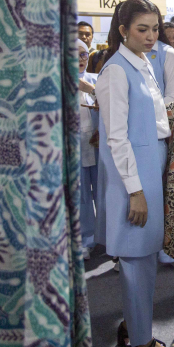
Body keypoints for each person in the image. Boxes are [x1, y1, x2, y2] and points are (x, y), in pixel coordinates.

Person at [95, 0, 170, 347]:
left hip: (150, 165)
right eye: (143, 29)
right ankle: (141, 343)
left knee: (146, 256)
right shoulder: (115, 71)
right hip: (135, 173)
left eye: (155, 28)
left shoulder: (144, 63)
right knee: (137, 258)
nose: (151, 36)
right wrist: (135, 191)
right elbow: (116, 138)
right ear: (123, 30)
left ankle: (132, 325)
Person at [77, 39, 98, 259]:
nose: (80, 59)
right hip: (75, 147)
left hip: (97, 144)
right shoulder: (59, 82)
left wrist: (91, 90)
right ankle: (86, 239)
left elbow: (109, 104)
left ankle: (106, 236)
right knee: (82, 195)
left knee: (102, 191)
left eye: (83, 54)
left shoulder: (96, 79)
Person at [147, 10, 174, 103]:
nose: (149, 34)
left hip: (158, 115)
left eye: (154, 29)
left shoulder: (166, 52)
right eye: (142, 29)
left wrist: (148, 111)